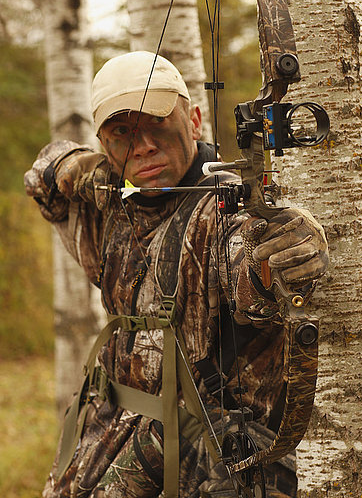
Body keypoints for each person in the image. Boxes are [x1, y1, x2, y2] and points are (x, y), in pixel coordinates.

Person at [25, 51, 329, 498]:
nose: (143, 144)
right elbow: (41, 178)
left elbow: (249, 274)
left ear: (194, 120)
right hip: (100, 439)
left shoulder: (225, 212)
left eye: (157, 124)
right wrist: (89, 170)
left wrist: (281, 259)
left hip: (197, 463)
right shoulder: (109, 211)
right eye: (123, 133)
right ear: (105, 145)